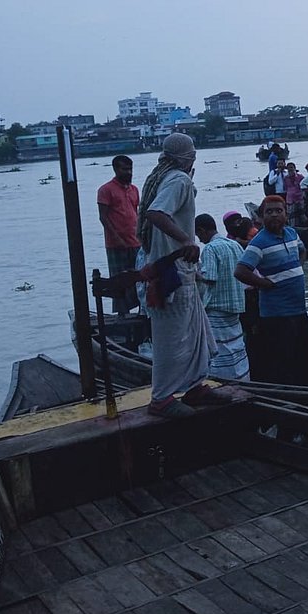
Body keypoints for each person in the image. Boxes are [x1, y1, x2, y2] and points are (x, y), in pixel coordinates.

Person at [137, 133, 221, 417]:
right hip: (171, 271)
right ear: (187, 156)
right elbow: (156, 213)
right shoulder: (178, 179)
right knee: (171, 337)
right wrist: (186, 240)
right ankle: (160, 399)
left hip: (180, 269)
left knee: (195, 331)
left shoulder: (167, 177)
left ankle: (195, 386)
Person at [235, 194, 308, 385]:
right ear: (261, 217)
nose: (275, 215)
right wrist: (266, 284)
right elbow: (241, 271)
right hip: (276, 314)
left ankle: (305, 393)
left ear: (286, 214)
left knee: (302, 357)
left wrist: (296, 269)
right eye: (269, 212)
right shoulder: (258, 243)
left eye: (279, 211)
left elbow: (302, 251)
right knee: (281, 362)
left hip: (299, 309)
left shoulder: (292, 234)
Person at [195, 213, 249, 380]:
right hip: (236, 305)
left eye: (198, 235)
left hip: (217, 307)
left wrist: (194, 275)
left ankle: (222, 382)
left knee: (219, 350)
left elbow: (210, 278)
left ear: (202, 230)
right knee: (237, 347)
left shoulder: (210, 249)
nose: (199, 239)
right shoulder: (234, 245)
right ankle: (243, 379)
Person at [97, 154, 140, 316]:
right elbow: (103, 217)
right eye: (124, 169)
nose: (128, 172)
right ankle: (122, 315)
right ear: (115, 169)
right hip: (116, 244)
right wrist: (116, 238)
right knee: (119, 282)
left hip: (136, 242)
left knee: (139, 279)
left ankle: (141, 313)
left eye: (130, 169)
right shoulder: (106, 190)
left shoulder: (134, 189)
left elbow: (137, 214)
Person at [282, 162, 305, 226]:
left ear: (295, 168)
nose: (290, 169)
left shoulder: (300, 177)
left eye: (291, 167)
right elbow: (285, 188)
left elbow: (304, 186)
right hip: (290, 199)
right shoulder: (285, 178)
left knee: (302, 215)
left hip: (300, 198)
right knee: (291, 217)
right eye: (288, 168)